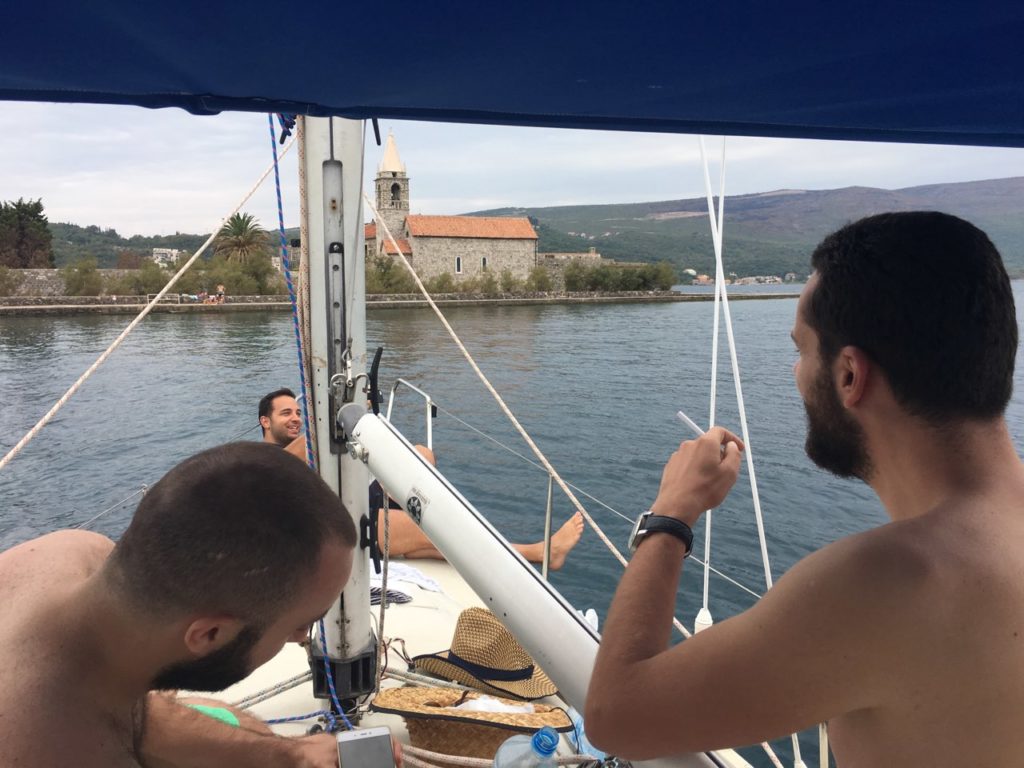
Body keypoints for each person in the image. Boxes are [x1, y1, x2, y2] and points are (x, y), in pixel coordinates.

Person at [585, 212, 1024, 766]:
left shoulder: (887, 581)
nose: (795, 371)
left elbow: (614, 716)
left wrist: (672, 512)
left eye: (801, 350)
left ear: (848, 375)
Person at [0, 442, 358, 767]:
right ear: (208, 634)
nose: (302, 638)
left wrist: (290, 755)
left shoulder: (72, 552)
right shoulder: (56, 750)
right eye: (300, 623)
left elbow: (139, 715)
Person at [258, 389, 584, 568]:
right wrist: (336, 415)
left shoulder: (309, 449)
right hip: (334, 527)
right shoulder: (263, 460)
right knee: (428, 530)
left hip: (348, 499)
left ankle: (423, 512)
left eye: (299, 413)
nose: (296, 419)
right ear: (264, 422)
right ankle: (537, 553)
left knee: (423, 454)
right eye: (286, 413)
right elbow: (283, 468)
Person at [372, 444, 584, 570]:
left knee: (423, 453)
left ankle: (420, 539)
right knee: (436, 529)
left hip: (363, 494)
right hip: (362, 520)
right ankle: (540, 553)